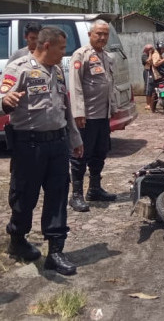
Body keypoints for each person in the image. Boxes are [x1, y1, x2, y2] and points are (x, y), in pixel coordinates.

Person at [0, 26, 83, 276]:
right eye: (61, 48)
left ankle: (55, 251)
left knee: (58, 196)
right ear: (46, 46)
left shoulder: (58, 72)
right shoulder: (19, 68)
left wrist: (74, 138)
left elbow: (66, 108)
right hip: (29, 145)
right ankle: (17, 240)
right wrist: (5, 102)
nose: (64, 53)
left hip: (57, 144)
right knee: (24, 197)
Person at [67, 20, 117, 213]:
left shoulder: (106, 56)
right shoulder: (81, 55)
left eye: (105, 34)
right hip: (87, 115)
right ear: (90, 34)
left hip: (102, 114)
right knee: (80, 155)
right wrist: (79, 112)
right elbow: (75, 85)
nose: (102, 37)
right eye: (98, 34)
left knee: (100, 152)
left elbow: (108, 84)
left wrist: (112, 107)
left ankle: (94, 189)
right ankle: (76, 195)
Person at [141, 44, 155, 111]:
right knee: (148, 87)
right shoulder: (144, 55)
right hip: (147, 71)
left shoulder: (153, 55)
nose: (151, 50)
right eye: (150, 49)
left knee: (153, 87)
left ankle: (152, 103)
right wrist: (149, 54)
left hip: (153, 71)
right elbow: (148, 61)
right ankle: (148, 104)